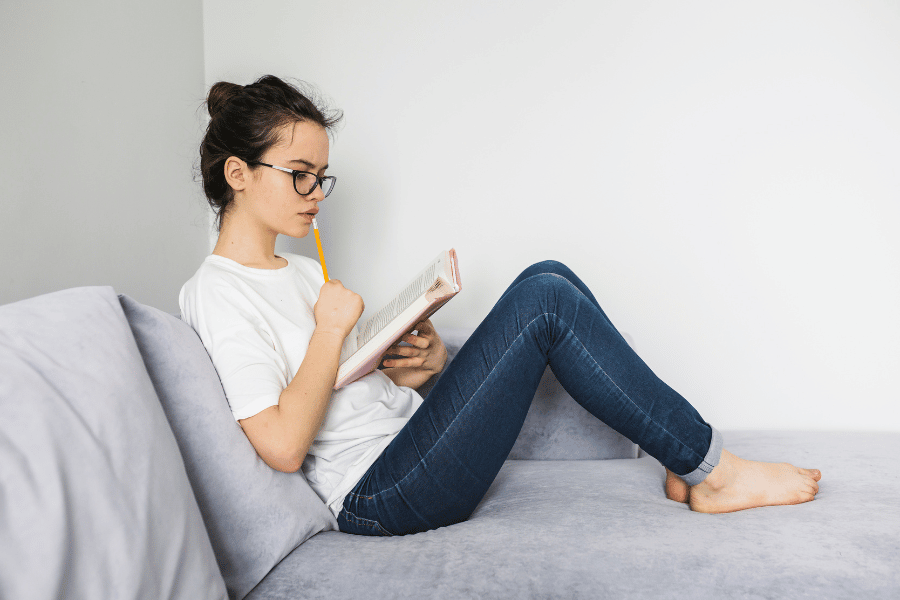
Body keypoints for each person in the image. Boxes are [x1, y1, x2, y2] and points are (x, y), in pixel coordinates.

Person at [179, 75, 821, 537]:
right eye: (300, 174)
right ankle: (714, 469)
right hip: (378, 495)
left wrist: (419, 366)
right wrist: (329, 331)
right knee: (544, 300)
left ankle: (680, 459)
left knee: (550, 273)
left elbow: (336, 387)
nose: (316, 192)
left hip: (410, 439)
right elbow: (284, 446)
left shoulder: (297, 269)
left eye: (323, 176)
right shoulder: (215, 291)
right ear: (239, 174)